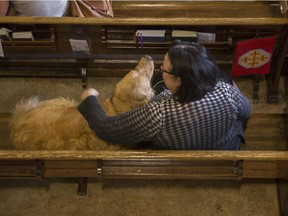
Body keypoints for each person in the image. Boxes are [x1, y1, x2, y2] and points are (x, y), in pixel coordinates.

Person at [78, 42, 251, 150]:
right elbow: (246, 111)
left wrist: (90, 98)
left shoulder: (157, 114)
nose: (161, 69)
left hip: (180, 156)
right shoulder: (226, 92)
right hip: (226, 147)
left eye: (165, 68)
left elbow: (106, 128)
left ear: (178, 81)